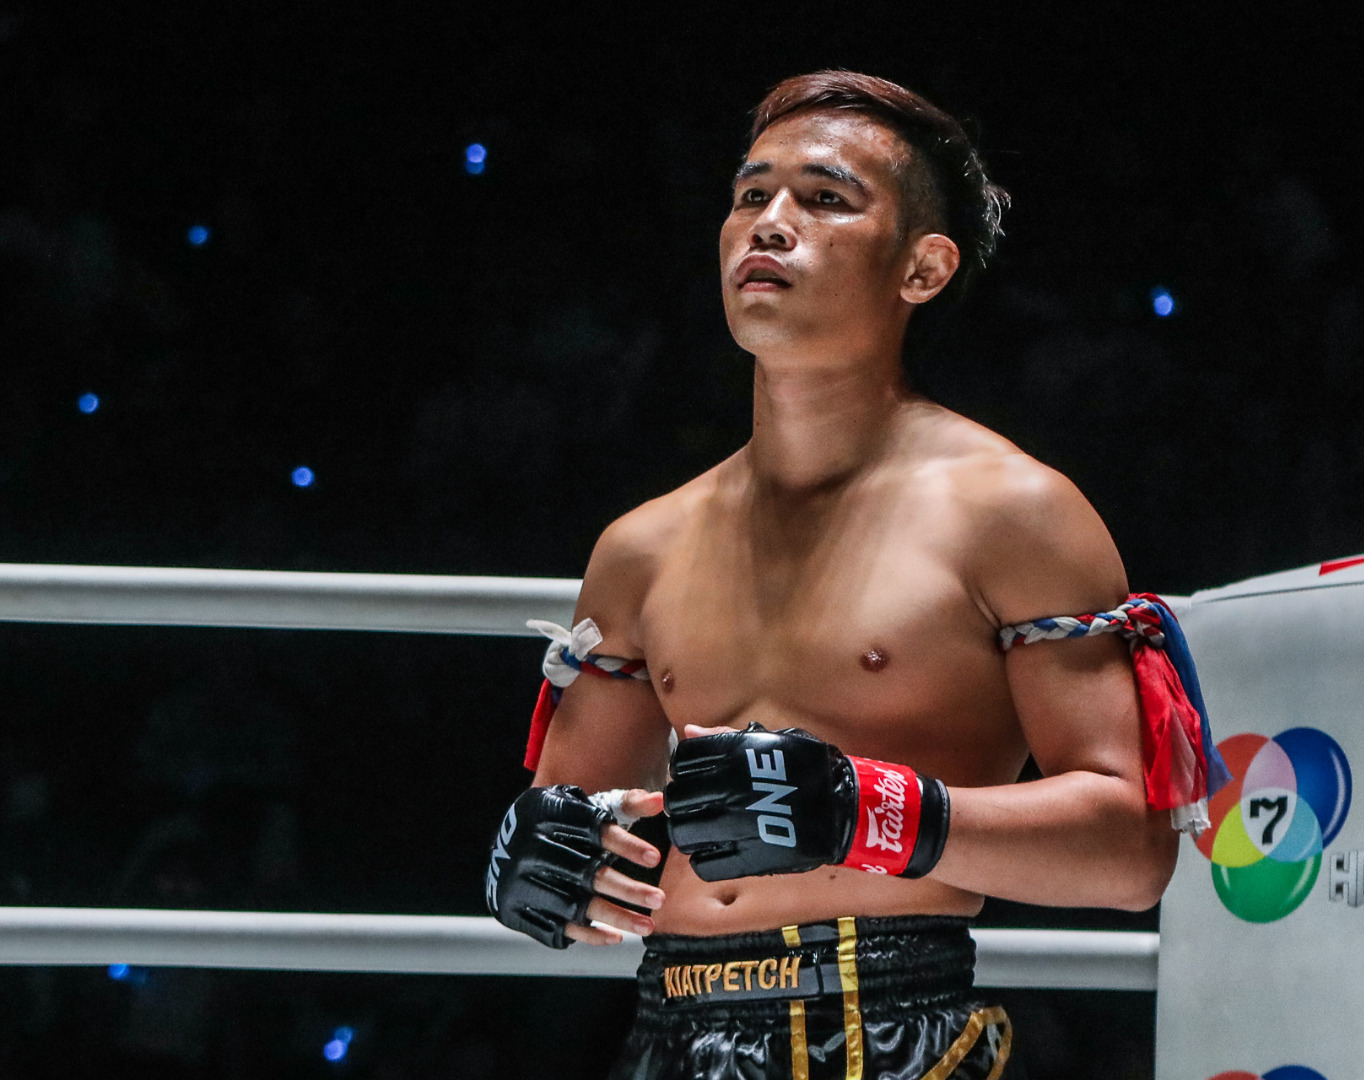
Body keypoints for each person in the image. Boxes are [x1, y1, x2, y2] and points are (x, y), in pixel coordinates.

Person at [485, 71, 1225, 1080]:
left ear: (923, 267)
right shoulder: (640, 546)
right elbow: (577, 832)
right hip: (667, 1032)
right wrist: (541, 858)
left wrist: (861, 809)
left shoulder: (1013, 511)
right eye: (751, 195)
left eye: (825, 198)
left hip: (891, 1026)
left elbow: (1132, 852)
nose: (770, 223)